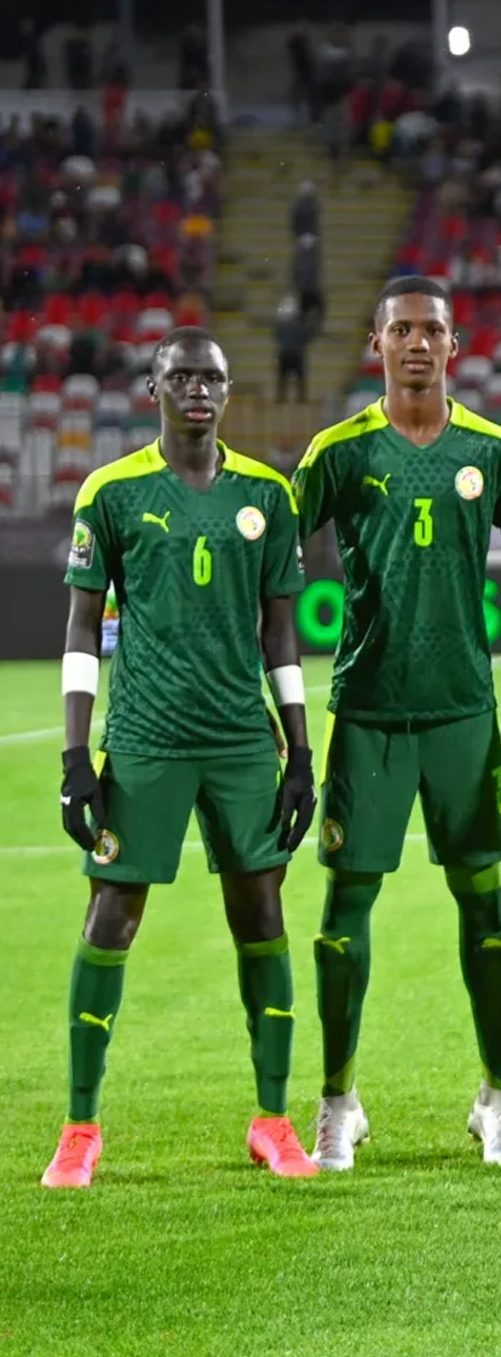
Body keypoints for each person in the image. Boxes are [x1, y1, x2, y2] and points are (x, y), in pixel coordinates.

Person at [43, 327, 319, 1189]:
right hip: (145, 741)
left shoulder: (267, 495)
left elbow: (281, 636)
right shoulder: (113, 491)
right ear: (154, 388)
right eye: (183, 377)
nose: (200, 390)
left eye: (214, 377)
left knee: (262, 918)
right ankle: (80, 1128)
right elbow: (84, 629)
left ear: (229, 392)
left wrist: (301, 749)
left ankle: (273, 1121)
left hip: (242, 741)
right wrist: (74, 753)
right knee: (112, 916)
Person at [292, 277, 501, 1172]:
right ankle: (337, 1103)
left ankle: (499, 1099)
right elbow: (271, 557)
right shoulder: (340, 452)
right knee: (342, 914)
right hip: (369, 715)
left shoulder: (492, 450)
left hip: (465, 712)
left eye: (433, 329)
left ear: (454, 344)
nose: (418, 343)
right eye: (402, 329)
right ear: (377, 343)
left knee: (490, 913)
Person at [274, 295, 308, 404]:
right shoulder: (299, 325)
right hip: (295, 354)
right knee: (298, 378)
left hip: (286, 353)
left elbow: (277, 338)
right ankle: (300, 397)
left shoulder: (282, 326)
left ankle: (282, 397)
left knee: (284, 378)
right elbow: (304, 338)